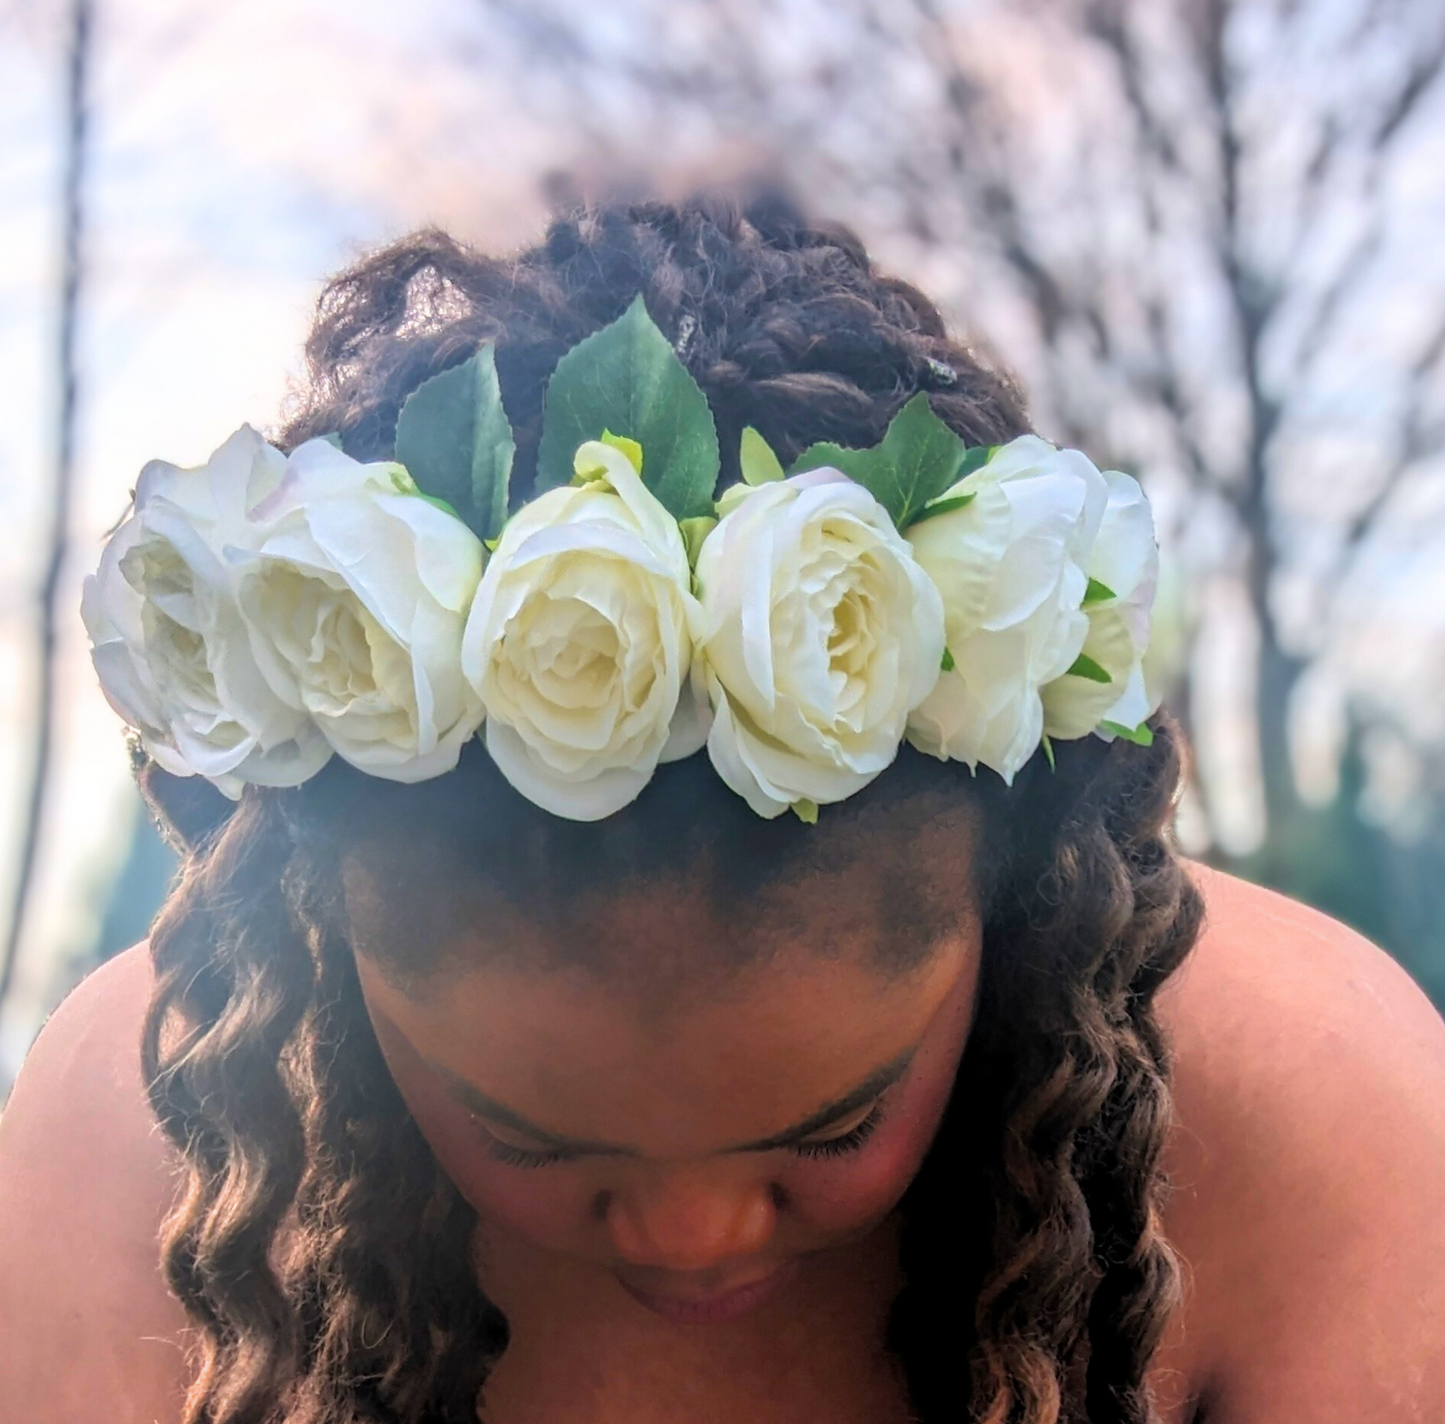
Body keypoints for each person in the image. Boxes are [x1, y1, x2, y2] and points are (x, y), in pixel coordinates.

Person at [1, 196, 1443, 1424]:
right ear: (329, 929)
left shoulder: (1321, 1122)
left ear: (1013, 903)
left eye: (829, 1131)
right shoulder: (143, 1152)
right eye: (537, 1140)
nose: (691, 1240)